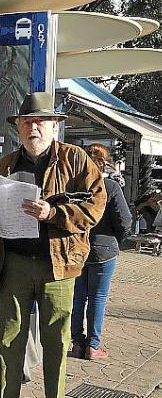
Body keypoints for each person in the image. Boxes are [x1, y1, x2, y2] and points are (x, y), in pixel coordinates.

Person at [0, 92, 106, 398]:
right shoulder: (5, 164)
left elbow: (96, 206)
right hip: (14, 263)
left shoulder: (75, 159)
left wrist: (53, 214)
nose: (33, 127)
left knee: (56, 342)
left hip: (58, 265)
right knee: (9, 339)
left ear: (53, 126)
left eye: (40, 122)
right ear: (18, 127)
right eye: (27, 122)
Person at [70, 143, 132, 360]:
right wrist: (117, 241)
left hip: (77, 249)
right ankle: (93, 345)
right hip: (104, 250)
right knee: (98, 297)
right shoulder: (110, 187)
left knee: (77, 297)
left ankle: (77, 343)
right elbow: (125, 221)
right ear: (103, 163)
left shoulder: (73, 186)